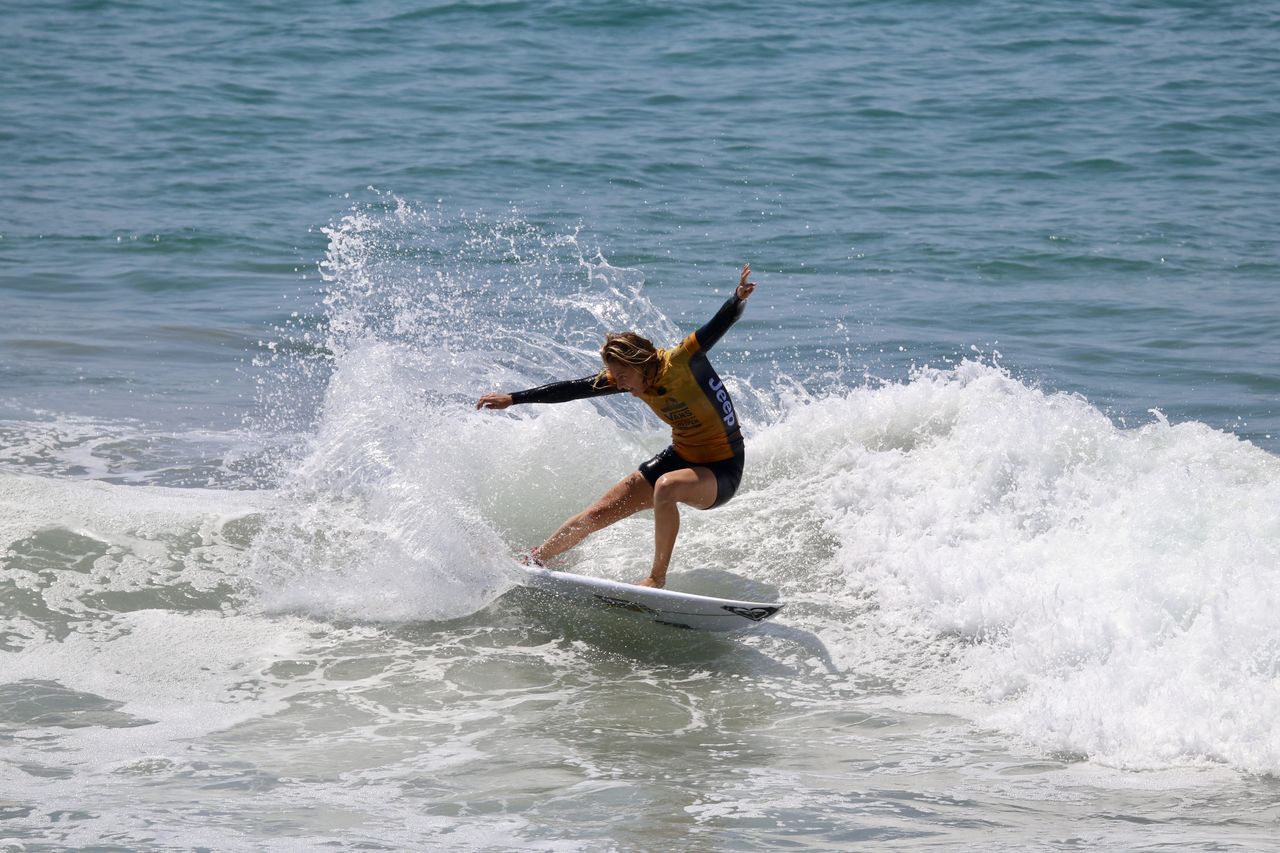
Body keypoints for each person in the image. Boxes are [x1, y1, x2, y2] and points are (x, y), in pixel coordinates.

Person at [476, 264, 758, 588]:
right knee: (597, 513)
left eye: (623, 376)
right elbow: (572, 389)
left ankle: (656, 578)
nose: (620, 385)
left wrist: (737, 298)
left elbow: (717, 326)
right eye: (615, 377)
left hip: (723, 469)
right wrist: (513, 398)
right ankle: (536, 558)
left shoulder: (681, 361)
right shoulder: (628, 379)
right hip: (682, 457)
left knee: (666, 488)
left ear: (639, 365)